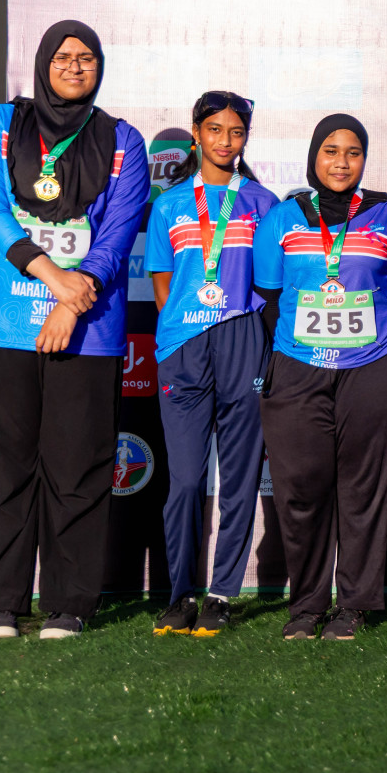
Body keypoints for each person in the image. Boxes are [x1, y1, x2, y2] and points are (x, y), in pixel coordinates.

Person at [0, 20, 150, 640]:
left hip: (88, 329)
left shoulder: (123, 140)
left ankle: (70, 603)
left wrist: (73, 302)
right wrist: (54, 279)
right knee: (3, 466)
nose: (75, 66)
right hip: (4, 322)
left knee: (78, 466)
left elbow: (119, 232)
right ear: (43, 62)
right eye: (64, 56)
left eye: (88, 57)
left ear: (100, 67)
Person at [252, 115, 387, 641]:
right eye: (331, 151)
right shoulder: (282, 219)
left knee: (362, 489)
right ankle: (305, 606)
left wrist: (375, 354)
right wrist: (310, 347)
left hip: (370, 370)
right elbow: (271, 301)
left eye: (353, 152)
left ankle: (353, 604)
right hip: (297, 368)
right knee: (300, 488)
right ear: (313, 156)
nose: (342, 162)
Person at [146, 91, 278, 636]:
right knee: (184, 480)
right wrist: (186, 324)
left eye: (236, 132)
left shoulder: (263, 202)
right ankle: (180, 593)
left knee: (240, 478)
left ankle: (221, 594)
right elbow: (161, 282)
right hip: (183, 346)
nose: (226, 141)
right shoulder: (169, 205)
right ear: (195, 134)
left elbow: (272, 283)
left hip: (242, 336)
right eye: (215, 130)